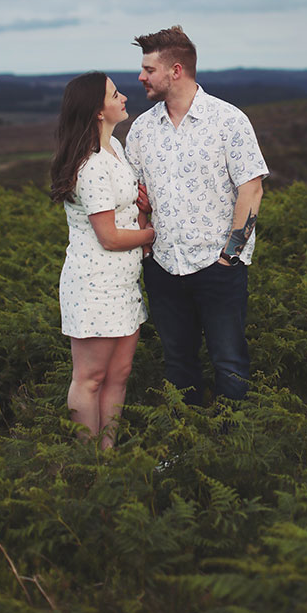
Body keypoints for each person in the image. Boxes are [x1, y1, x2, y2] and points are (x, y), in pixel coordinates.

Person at [125, 26, 269, 405]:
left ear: (176, 70)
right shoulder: (141, 130)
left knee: (230, 363)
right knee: (177, 365)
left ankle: (232, 452)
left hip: (218, 267)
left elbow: (251, 189)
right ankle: (184, 452)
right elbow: (136, 200)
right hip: (164, 269)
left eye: (148, 69)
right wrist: (147, 255)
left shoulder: (228, 120)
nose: (141, 77)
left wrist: (229, 256)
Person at [50, 72, 155, 449]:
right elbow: (109, 237)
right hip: (95, 285)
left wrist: (141, 208)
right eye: (115, 93)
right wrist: (154, 235)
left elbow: (121, 213)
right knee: (90, 378)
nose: (124, 96)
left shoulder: (115, 149)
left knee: (119, 374)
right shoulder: (91, 165)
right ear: (98, 111)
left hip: (122, 283)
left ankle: (106, 457)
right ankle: (86, 461)